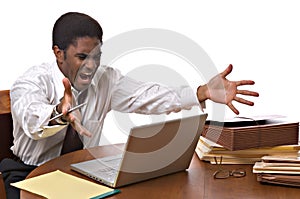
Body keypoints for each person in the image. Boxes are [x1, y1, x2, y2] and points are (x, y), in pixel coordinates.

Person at [0, 12, 259, 198]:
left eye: (96, 56)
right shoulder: (30, 82)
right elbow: (33, 122)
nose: (91, 65)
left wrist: (202, 92)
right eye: (82, 57)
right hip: (31, 177)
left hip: (79, 174)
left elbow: (149, 95)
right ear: (58, 53)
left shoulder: (106, 79)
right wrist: (59, 113)